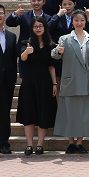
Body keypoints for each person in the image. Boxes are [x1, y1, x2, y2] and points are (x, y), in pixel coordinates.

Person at [52, 9, 89, 154]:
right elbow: (54, 54)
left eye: (82, 20)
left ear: (86, 21)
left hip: (86, 81)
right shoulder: (65, 38)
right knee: (70, 113)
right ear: (72, 22)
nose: (79, 23)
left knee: (83, 113)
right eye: (76, 20)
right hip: (70, 80)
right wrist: (58, 51)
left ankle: (80, 143)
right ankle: (71, 143)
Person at [15, 16, 55, 156]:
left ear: (45, 28)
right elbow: (22, 58)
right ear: (31, 28)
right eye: (35, 26)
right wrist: (27, 51)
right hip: (29, 81)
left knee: (44, 112)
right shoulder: (26, 43)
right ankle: (29, 144)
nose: (38, 28)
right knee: (29, 113)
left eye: (40, 26)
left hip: (45, 81)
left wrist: (55, 84)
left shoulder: (50, 45)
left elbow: (51, 66)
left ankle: (40, 144)